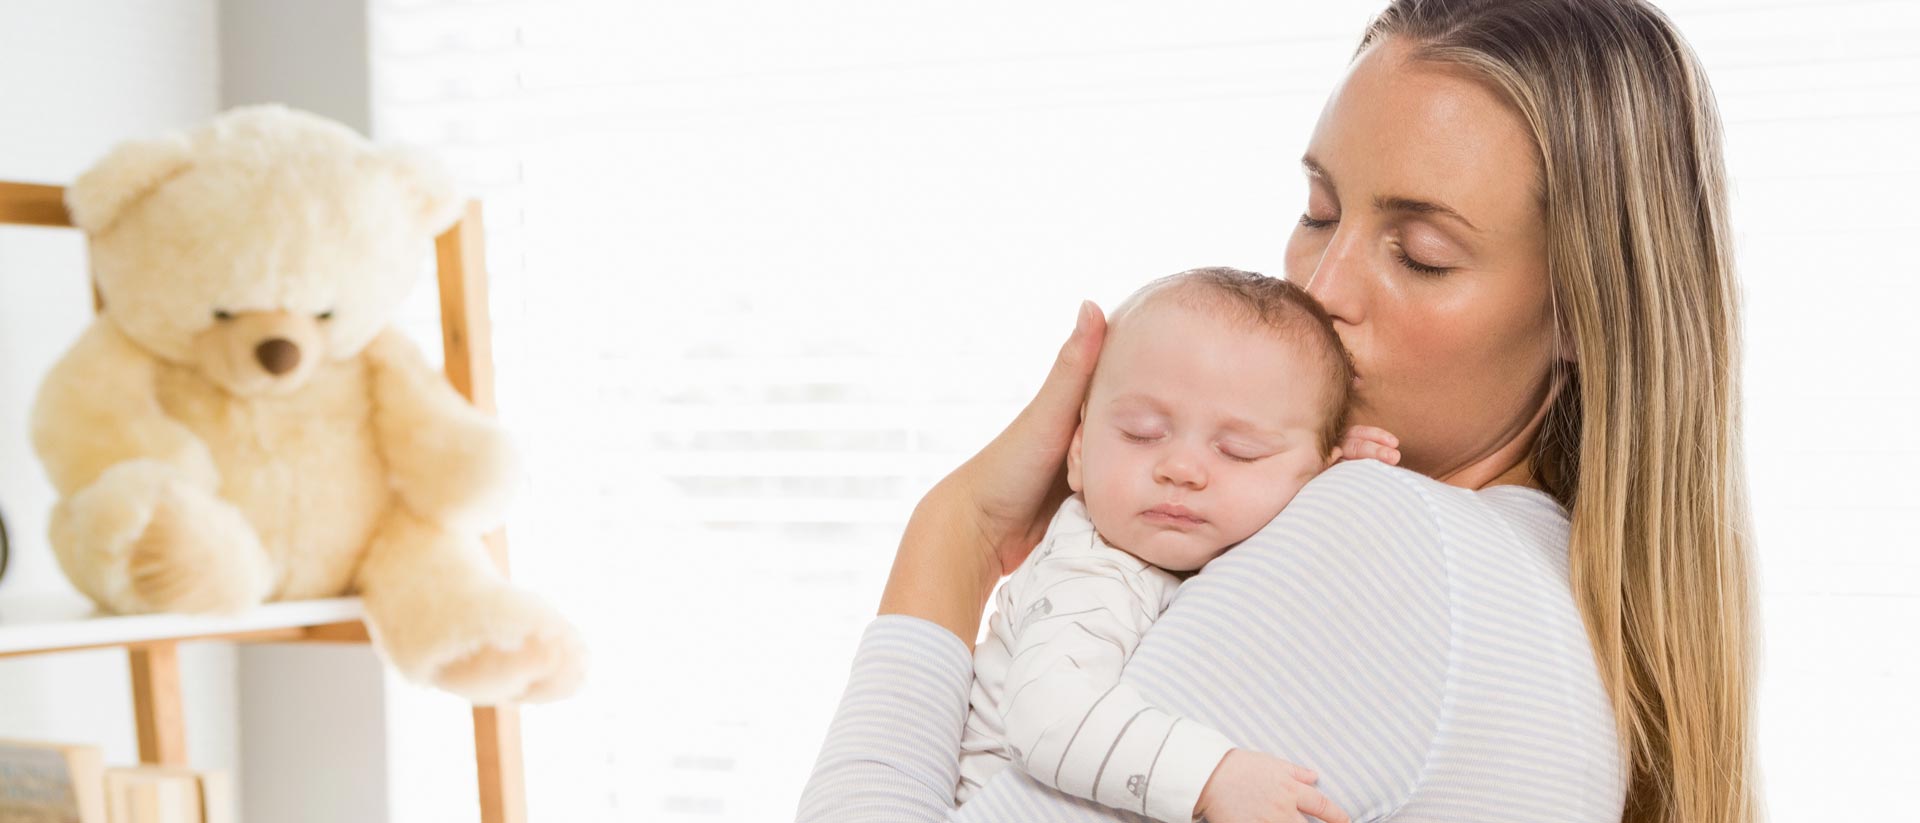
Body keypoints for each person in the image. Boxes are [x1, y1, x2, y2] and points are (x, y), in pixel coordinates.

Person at [799, 2, 1757, 822]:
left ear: (1585, 311)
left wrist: (960, 526)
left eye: (1420, 252)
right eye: (1318, 210)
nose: (1323, 286)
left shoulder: (1386, 540)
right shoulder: (1550, 588)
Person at [955, 268, 1365, 823]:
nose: (1180, 468)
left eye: (1240, 451)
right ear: (1077, 453)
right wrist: (1211, 777)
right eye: (1142, 434)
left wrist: (1338, 482)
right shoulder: (1093, 572)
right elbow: (1049, 719)